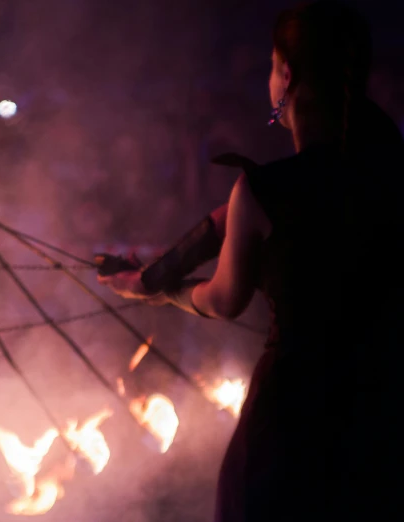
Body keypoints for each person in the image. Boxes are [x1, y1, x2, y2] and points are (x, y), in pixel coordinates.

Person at [97, 2, 403, 521]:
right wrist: (156, 270)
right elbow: (226, 221)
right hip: (383, 413)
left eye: (270, 64)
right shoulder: (388, 174)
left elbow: (223, 298)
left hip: (293, 424)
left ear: (286, 75)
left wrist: (154, 290)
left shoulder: (267, 189)